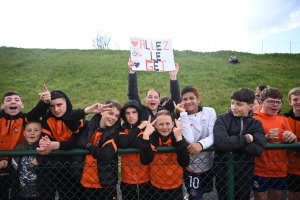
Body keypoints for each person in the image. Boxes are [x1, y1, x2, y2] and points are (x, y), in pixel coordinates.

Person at [213, 87, 267, 200]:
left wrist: (232, 142)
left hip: (245, 171)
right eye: (232, 103)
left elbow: (258, 148)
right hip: (223, 169)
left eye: (239, 104)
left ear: (250, 106)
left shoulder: (256, 123)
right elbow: (221, 143)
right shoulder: (223, 118)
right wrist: (246, 139)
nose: (234, 107)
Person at [0, 85, 50, 199]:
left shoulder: (24, 119)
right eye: (8, 100)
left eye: (17, 100)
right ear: (2, 106)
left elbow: (36, 113)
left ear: (22, 105)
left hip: (15, 163)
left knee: (15, 190)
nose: (13, 102)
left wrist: (45, 102)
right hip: (1, 161)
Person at [252, 87, 297, 200]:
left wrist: (291, 137)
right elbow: (248, 140)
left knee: (276, 198)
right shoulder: (253, 119)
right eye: (271, 101)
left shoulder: (283, 119)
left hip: (280, 168)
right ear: (261, 102)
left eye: (278, 102)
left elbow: (292, 139)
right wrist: (265, 138)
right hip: (259, 169)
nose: (275, 105)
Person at [174, 86, 216, 200]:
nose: (188, 101)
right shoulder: (179, 120)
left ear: (198, 99)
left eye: (191, 98)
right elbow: (191, 140)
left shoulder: (210, 111)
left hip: (208, 164)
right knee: (196, 197)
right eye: (185, 99)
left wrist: (201, 145)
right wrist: (183, 114)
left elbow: (213, 135)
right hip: (191, 167)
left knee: (204, 192)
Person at [76, 100, 122, 200]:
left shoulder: (115, 133)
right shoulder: (89, 126)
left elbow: (105, 155)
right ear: (101, 111)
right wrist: (88, 110)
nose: (113, 118)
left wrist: (89, 146)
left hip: (106, 185)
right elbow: (69, 119)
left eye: (116, 115)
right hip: (85, 182)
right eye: (111, 113)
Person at [139, 110, 190, 200]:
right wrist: (145, 136)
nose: (165, 127)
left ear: (173, 123)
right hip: (156, 185)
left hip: (176, 185)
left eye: (168, 123)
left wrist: (179, 139)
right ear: (155, 125)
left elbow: (184, 162)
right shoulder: (153, 136)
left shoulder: (177, 135)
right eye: (161, 124)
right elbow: (145, 160)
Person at [118, 100, 150, 200]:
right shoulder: (122, 128)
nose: (131, 116)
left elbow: (140, 143)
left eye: (134, 112)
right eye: (127, 113)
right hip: (127, 178)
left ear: (139, 113)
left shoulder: (147, 129)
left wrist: (129, 140)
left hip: (145, 177)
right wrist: (139, 128)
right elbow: (122, 142)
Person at [10, 120, 42, 200]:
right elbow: (13, 170)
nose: (32, 133)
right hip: (21, 194)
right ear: (24, 133)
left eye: (36, 130)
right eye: (29, 130)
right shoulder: (18, 148)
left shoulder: (45, 148)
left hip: (40, 194)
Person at [284, 87, 300, 200]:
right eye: (295, 99)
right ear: (290, 101)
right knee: (293, 195)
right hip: (292, 167)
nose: (298, 102)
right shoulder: (284, 119)